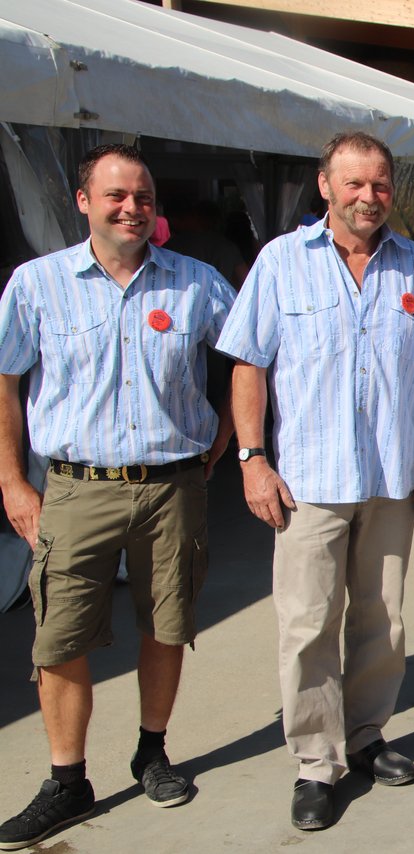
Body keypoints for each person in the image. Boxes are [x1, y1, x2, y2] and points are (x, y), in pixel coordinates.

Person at [0, 144, 236, 850]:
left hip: (173, 487)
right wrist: (12, 480)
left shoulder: (197, 284)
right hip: (76, 488)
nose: (132, 207)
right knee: (60, 636)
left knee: (167, 625)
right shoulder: (36, 285)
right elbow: (5, 383)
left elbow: (252, 360)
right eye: (116, 196)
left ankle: (152, 752)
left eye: (143, 197)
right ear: (83, 202)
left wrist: (228, 445)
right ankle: (67, 779)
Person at [216, 132, 414, 830]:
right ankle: (317, 763)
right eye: (354, 185)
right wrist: (252, 458)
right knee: (309, 622)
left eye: (379, 185)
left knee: (382, 616)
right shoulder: (282, 263)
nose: (368, 198)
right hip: (309, 480)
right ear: (326, 187)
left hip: (388, 474)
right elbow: (249, 365)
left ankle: (369, 736)